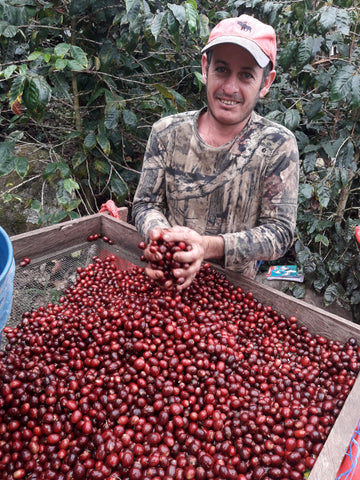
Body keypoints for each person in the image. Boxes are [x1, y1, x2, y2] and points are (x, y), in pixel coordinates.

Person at [132, 14, 299, 290]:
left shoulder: (277, 145)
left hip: (231, 294)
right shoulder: (167, 133)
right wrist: (159, 235)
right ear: (205, 68)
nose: (230, 88)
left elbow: (279, 233)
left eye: (246, 75)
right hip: (168, 281)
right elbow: (144, 204)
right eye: (222, 69)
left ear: (266, 83)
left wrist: (207, 246)